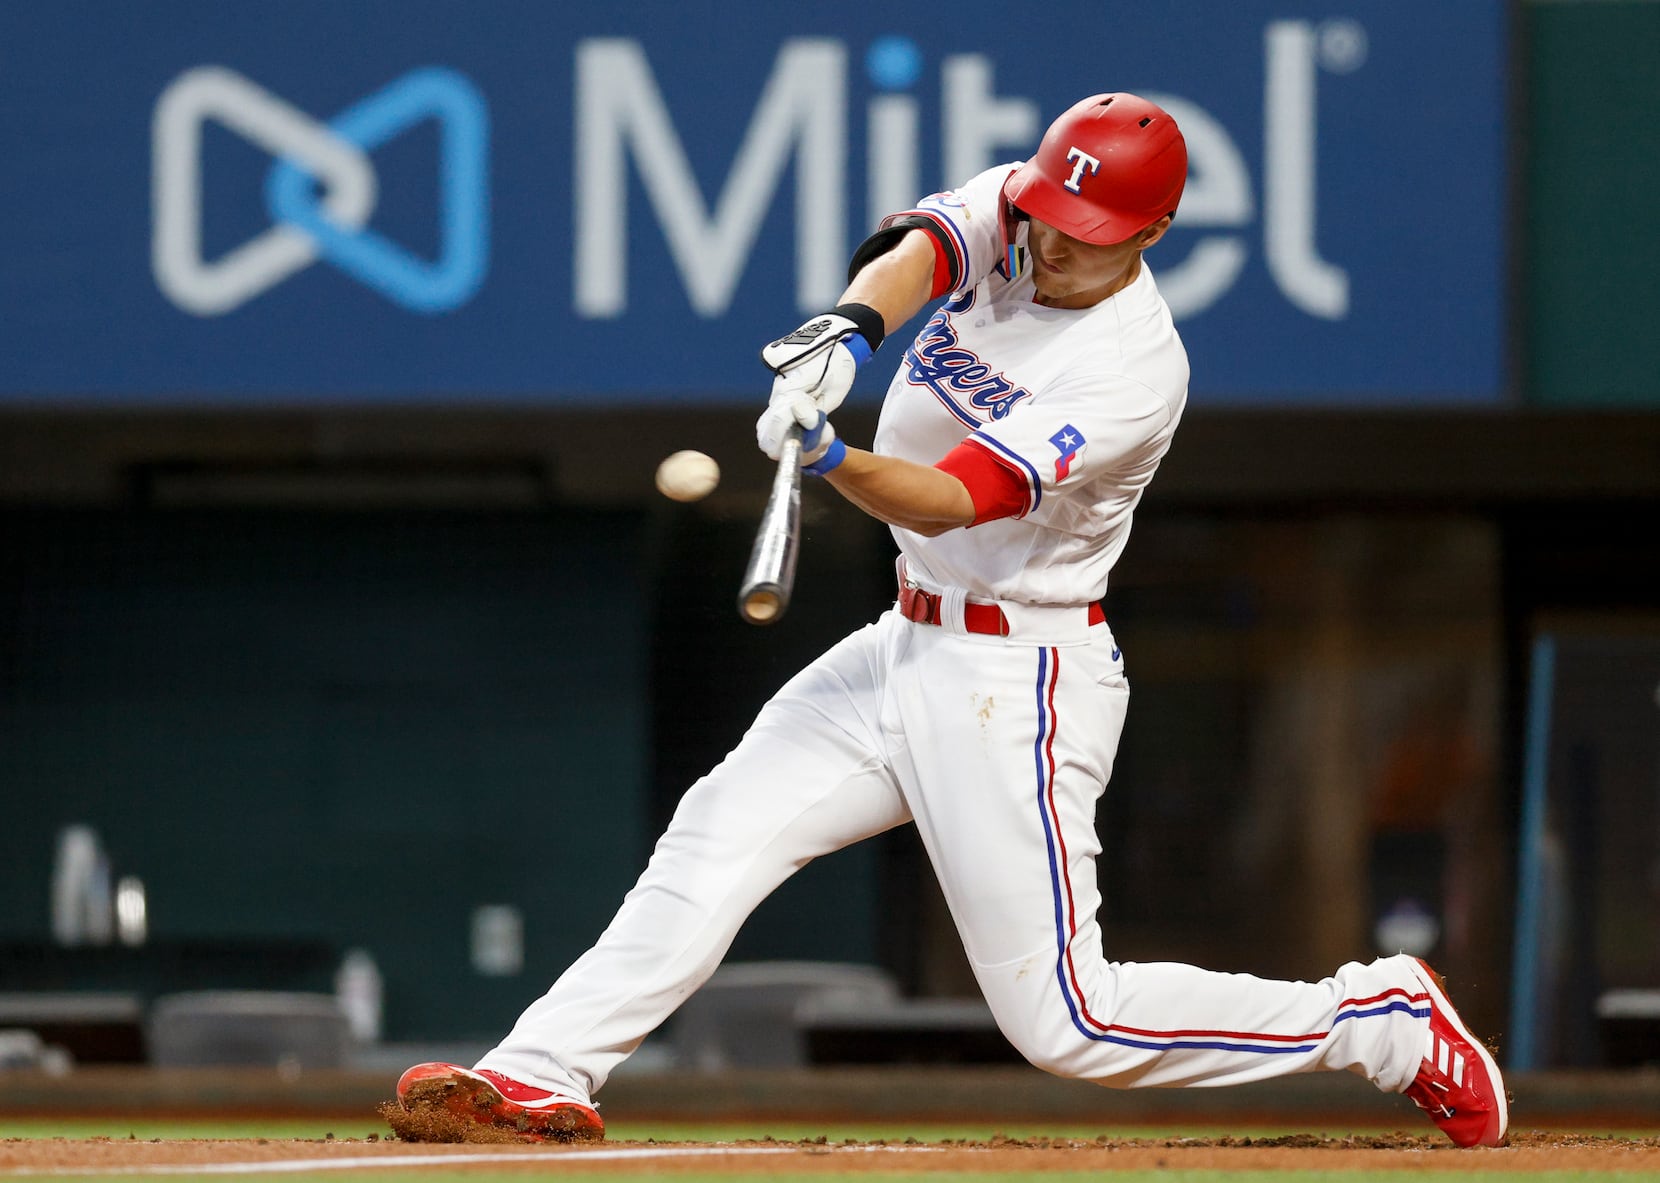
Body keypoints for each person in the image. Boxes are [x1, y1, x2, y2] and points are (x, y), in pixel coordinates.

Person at [389, 92, 1507, 1149]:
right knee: (719, 828)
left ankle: (1378, 1021)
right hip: (906, 639)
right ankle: (542, 1066)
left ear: (1154, 228)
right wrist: (846, 330)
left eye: (1088, 229)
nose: (1053, 242)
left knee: (1073, 1023)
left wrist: (828, 453)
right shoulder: (1027, 210)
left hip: (1018, 677)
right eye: (1047, 213)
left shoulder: (1129, 373)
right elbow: (926, 249)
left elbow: (955, 494)